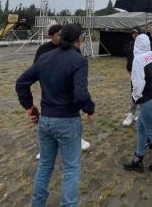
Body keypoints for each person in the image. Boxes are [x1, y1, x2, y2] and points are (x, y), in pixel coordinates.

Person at [16, 24, 96, 206]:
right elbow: (81, 93)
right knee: (71, 169)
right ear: (78, 40)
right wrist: (90, 110)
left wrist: (29, 107)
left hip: (45, 120)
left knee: (44, 166)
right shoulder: (79, 60)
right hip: (67, 120)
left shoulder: (44, 57)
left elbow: (21, 82)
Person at [33, 24, 90, 159]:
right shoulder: (43, 49)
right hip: (50, 88)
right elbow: (36, 68)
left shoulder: (71, 49)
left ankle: (77, 139)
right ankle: (46, 148)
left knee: (72, 113)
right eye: (58, 34)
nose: (61, 36)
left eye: (62, 34)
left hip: (69, 89)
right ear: (51, 36)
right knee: (49, 117)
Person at [123, 34, 152, 173]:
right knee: (141, 126)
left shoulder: (138, 60)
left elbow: (137, 83)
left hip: (149, 99)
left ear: (136, 44)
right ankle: (138, 157)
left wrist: (136, 98)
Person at [122, 27, 141, 126]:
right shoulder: (130, 43)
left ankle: (137, 112)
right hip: (132, 71)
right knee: (134, 91)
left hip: (140, 72)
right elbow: (128, 56)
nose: (134, 35)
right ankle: (132, 113)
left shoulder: (142, 45)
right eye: (133, 33)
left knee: (139, 91)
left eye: (136, 33)